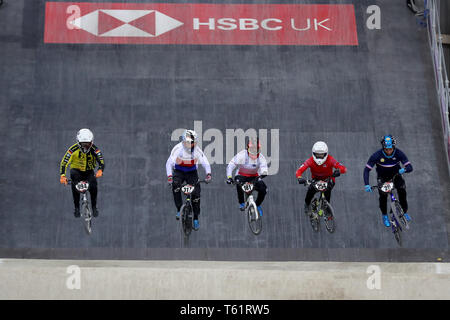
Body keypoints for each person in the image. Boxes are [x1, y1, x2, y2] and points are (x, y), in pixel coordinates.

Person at [166, 129, 211, 230]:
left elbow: (205, 162)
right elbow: (169, 163)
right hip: (179, 172)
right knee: (175, 185)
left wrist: (208, 174)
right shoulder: (177, 149)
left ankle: (195, 218)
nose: (190, 145)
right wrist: (169, 176)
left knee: (196, 194)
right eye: (188, 142)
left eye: (193, 143)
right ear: (183, 141)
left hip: (192, 173)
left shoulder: (197, 150)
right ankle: (179, 209)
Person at [363, 135, 413, 227]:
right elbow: (366, 170)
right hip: (383, 178)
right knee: (383, 196)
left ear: (394, 147)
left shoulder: (399, 153)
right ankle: (385, 215)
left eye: (391, 149)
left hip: (396, 176)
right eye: (386, 149)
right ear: (383, 148)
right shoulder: (376, 155)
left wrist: (405, 169)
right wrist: (367, 184)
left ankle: (404, 212)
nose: (389, 151)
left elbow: (410, 167)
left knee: (402, 191)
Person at [60, 128, 105, 218]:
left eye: (88, 144)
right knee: (75, 184)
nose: (85, 147)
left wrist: (100, 170)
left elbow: (101, 161)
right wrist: (62, 175)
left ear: (91, 142)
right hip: (76, 171)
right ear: (78, 142)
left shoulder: (95, 150)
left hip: (89, 171)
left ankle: (94, 207)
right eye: (83, 144)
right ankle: (76, 207)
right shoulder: (72, 150)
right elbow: (64, 162)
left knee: (94, 186)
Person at [295, 141, 347, 217]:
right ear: (313, 153)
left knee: (327, 190)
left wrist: (339, 171)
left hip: (328, 179)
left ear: (326, 154)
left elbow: (344, 168)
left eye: (321, 154)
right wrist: (299, 178)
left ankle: (326, 207)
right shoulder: (310, 161)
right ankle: (307, 204)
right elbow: (299, 171)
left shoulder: (330, 159)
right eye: (317, 154)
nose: (319, 156)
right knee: (310, 191)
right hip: (316, 180)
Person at [226, 138, 268, 216]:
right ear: (247, 148)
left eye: (256, 149)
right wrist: (229, 177)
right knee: (238, 183)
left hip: (254, 177)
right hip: (241, 175)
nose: (254, 152)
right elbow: (231, 165)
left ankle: (257, 205)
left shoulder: (261, 157)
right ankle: (241, 202)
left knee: (264, 189)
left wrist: (263, 174)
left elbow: (264, 168)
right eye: (252, 149)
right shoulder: (242, 155)